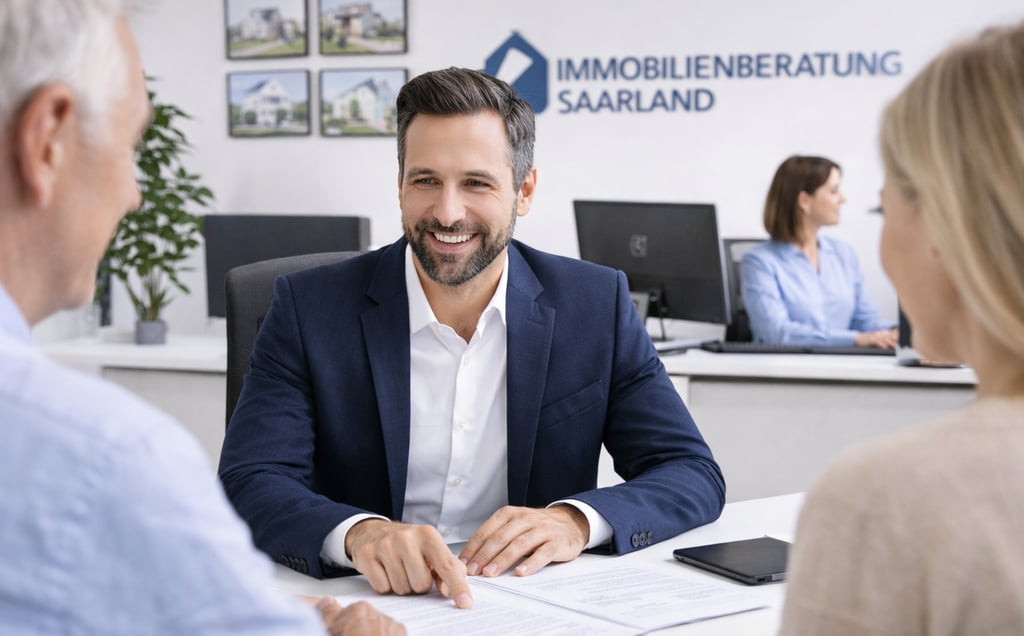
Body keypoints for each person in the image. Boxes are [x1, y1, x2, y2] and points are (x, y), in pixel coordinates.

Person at [218, 67, 726, 608]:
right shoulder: (308, 307)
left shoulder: (594, 305)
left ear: (523, 190)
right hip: (362, 602)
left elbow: (690, 471)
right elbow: (250, 478)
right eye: (425, 180)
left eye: (477, 183)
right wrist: (358, 533)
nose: (447, 212)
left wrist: (575, 522)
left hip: (529, 604)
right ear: (399, 185)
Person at [0, 1, 402, 634]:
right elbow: (254, 481)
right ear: (46, 139)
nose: (135, 194)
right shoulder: (107, 459)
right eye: (130, 145)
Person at [779, 21, 1024, 635]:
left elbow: (864, 316)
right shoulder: (769, 260)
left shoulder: (886, 499)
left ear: (949, 221)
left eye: (885, 208)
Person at [741, 155, 897, 347]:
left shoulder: (844, 254)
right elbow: (776, 332)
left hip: (847, 367)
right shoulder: (759, 262)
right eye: (834, 191)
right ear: (804, 200)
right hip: (789, 370)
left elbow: (864, 320)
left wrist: (896, 332)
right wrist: (855, 340)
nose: (842, 199)